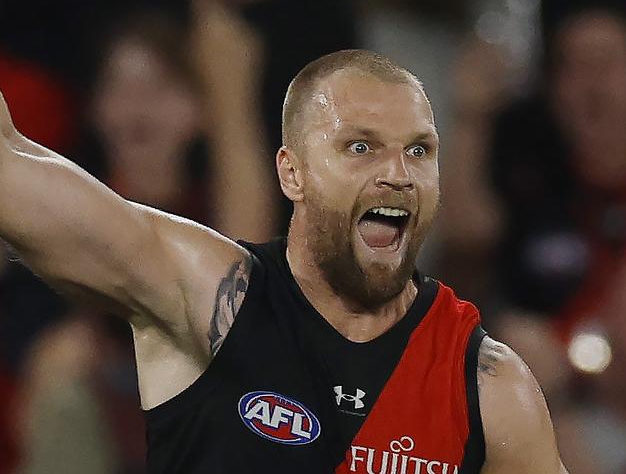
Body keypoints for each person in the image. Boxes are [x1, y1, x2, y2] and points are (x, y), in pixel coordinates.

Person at [0, 49, 567, 473]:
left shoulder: (489, 388)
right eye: (361, 146)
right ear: (292, 172)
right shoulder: (207, 296)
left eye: (419, 150)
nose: (398, 173)